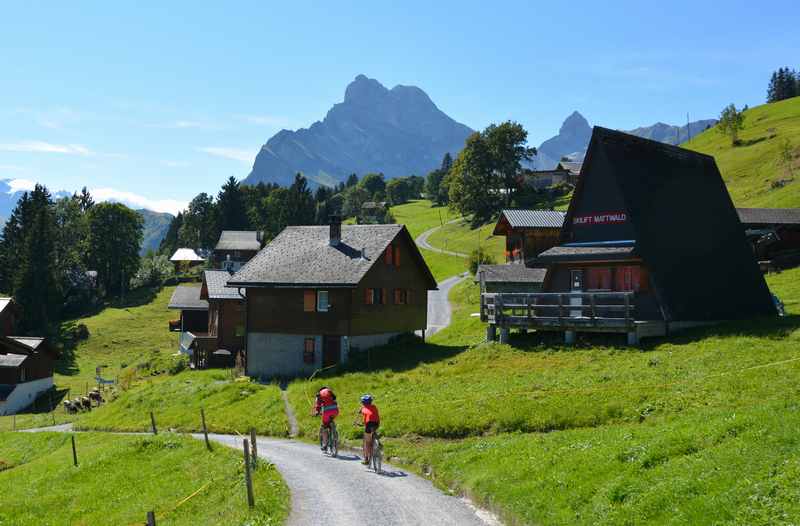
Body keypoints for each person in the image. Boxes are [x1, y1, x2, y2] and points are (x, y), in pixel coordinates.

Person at [313, 386, 339, 450]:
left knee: (324, 427)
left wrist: (317, 412)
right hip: (335, 410)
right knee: (331, 419)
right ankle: (334, 432)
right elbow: (335, 399)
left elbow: (318, 405)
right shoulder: (330, 391)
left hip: (326, 412)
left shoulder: (318, 395)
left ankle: (325, 444)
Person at [358, 394, 380, 465]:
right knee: (373, 432)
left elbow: (364, 419)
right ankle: (377, 442)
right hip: (377, 423)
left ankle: (366, 459)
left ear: (363, 403)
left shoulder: (363, 409)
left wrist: (358, 423)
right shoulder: (374, 407)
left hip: (369, 424)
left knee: (367, 442)